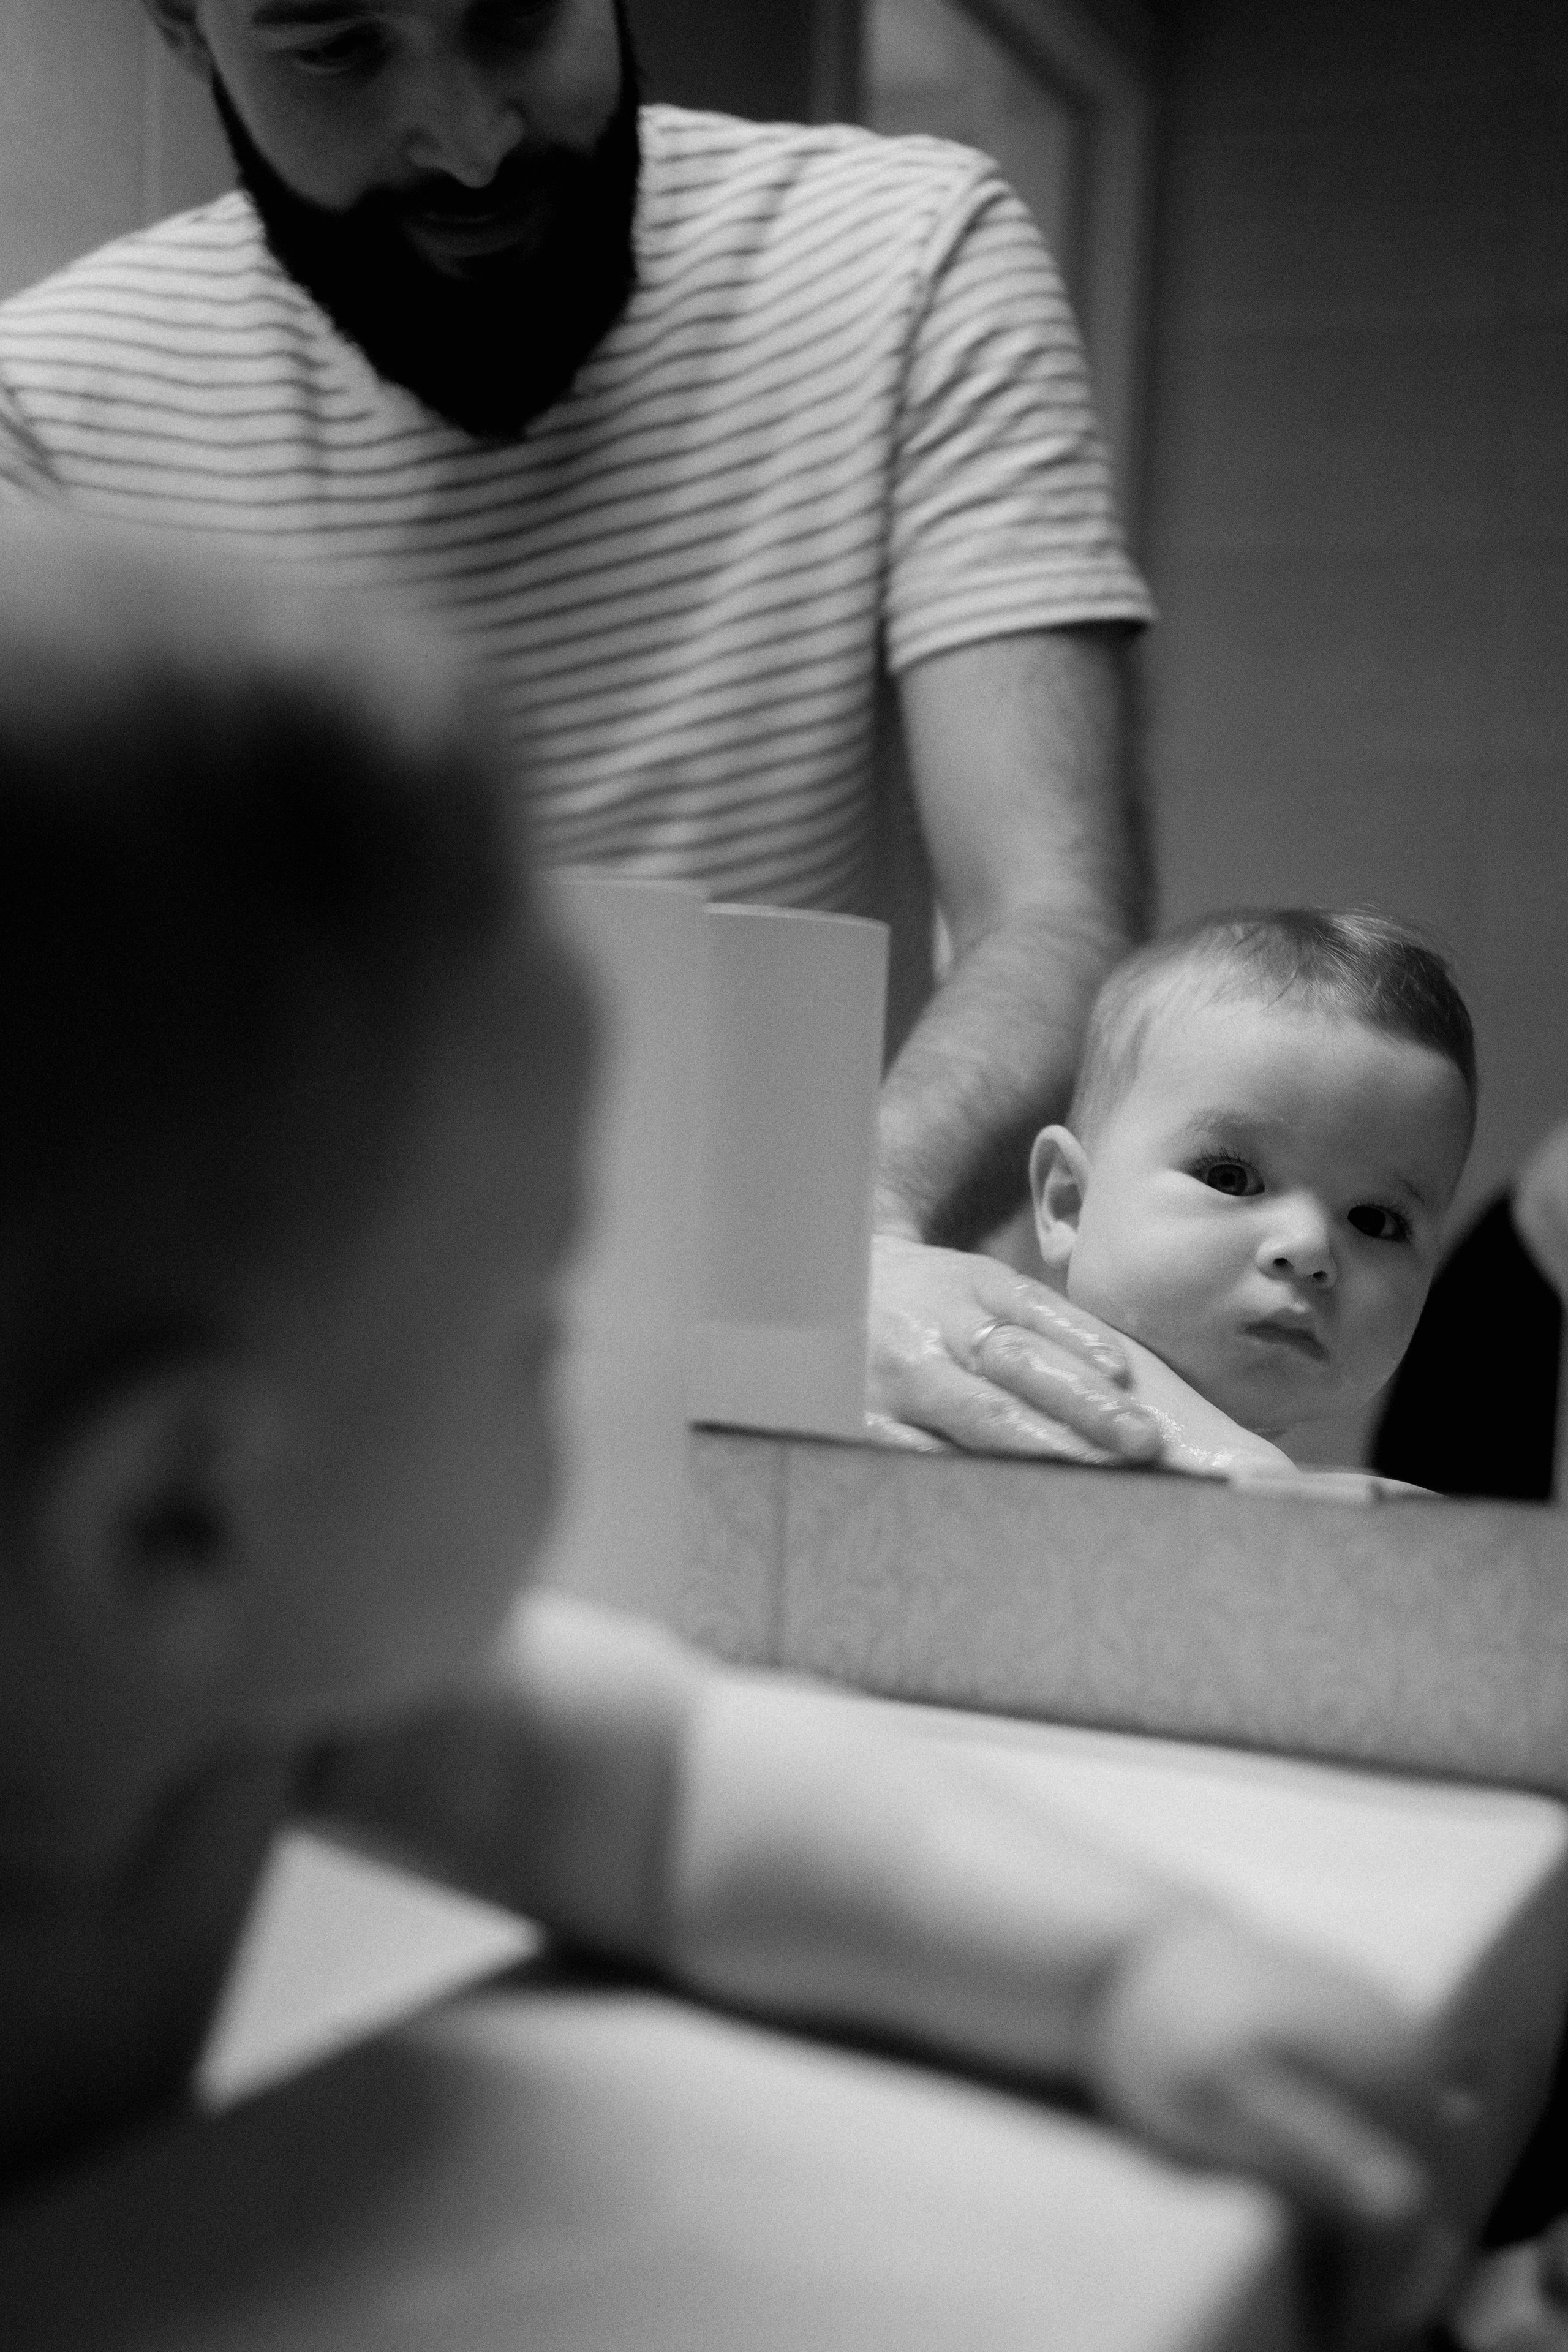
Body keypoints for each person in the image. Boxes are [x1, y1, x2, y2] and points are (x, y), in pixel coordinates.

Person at [0, 516, 1448, 2342]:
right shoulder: (254, 1641)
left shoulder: (262, 1675)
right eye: (531, 1328)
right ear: (180, 1514)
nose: (586, 1369)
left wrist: (1129, 1969)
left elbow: (671, 1788)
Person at [0, 0, 1169, 1469]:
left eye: (512, 18)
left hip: (785, 1404)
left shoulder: (906, 251)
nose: (469, 142)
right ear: (182, 30)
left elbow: (1055, 909)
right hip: (306, 1437)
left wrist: (824, 1243)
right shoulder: (38, 402)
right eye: (334, 51)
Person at [1026, 910, 1477, 1476]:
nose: (1310, 1247)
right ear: (1068, 1203)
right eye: (1230, 1179)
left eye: (1374, 1220)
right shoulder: (980, 1405)